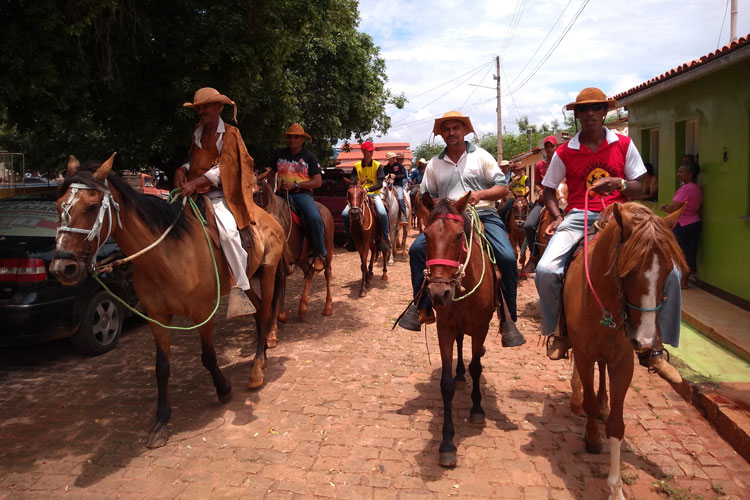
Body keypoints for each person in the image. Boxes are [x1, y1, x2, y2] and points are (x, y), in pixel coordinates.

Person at [534, 87, 682, 384]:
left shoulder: (624, 144)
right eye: (584, 109)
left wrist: (621, 184)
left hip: (624, 217)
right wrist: (559, 216)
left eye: (597, 108)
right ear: (577, 115)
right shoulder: (565, 151)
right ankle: (559, 332)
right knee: (545, 269)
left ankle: (656, 345)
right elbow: (549, 189)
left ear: (605, 113)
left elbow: (642, 186)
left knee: (673, 273)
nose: (591, 114)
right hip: (579, 215)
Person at [398, 111, 525, 348]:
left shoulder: (482, 156)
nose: (451, 133)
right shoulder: (434, 164)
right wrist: (439, 212)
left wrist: (480, 194)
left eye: (456, 128)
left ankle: (508, 319)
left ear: (465, 131)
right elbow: (425, 198)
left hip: (483, 214)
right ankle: (422, 307)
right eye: (446, 130)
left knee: (507, 257)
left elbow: (502, 189)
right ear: (442, 135)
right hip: (447, 219)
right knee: (416, 250)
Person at [175, 87, 257, 310]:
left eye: (206, 106)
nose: (201, 111)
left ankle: (241, 289)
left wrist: (196, 182)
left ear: (219, 107)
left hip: (220, 194)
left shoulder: (230, 134)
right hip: (193, 193)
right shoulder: (197, 133)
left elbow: (225, 169)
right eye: (198, 107)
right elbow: (196, 161)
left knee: (229, 235)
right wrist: (183, 169)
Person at [270, 123, 326, 272]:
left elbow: (317, 181)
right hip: (281, 194)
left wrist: (295, 185)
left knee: (314, 218)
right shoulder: (279, 154)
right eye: (289, 137)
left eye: (295, 137)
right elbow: (270, 174)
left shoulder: (309, 157)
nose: (292, 140)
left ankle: (320, 253)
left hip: (301, 194)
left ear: (302, 139)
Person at [341, 140, 389, 252]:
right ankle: (350, 239)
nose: (370, 153)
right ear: (363, 151)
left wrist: (367, 189)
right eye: (368, 151)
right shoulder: (357, 166)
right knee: (344, 214)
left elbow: (380, 183)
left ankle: (384, 238)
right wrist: (356, 186)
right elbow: (353, 180)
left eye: (371, 151)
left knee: (382, 212)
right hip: (359, 194)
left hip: (374, 194)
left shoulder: (378, 165)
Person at [662, 159, 701, 288]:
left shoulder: (686, 188)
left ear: (690, 174)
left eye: (681, 172)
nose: (678, 174)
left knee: (679, 252)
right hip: (693, 222)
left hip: (683, 224)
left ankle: (682, 282)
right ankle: (683, 281)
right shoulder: (696, 188)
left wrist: (666, 207)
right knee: (689, 252)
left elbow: (675, 207)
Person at [523, 135, 558, 272]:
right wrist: (539, 190)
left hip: (560, 202)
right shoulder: (539, 165)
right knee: (529, 225)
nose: (549, 149)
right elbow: (536, 183)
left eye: (552, 146)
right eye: (547, 146)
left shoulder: (562, 163)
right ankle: (534, 255)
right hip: (542, 202)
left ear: (556, 147)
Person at [383, 152, 408, 222]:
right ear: (389, 159)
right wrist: (388, 179)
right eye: (393, 158)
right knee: (382, 198)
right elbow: (383, 178)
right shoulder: (385, 168)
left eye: (394, 158)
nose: (395, 159)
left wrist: (395, 177)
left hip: (398, 185)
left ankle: (404, 215)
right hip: (388, 187)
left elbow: (404, 175)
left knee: (400, 198)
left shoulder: (399, 165)